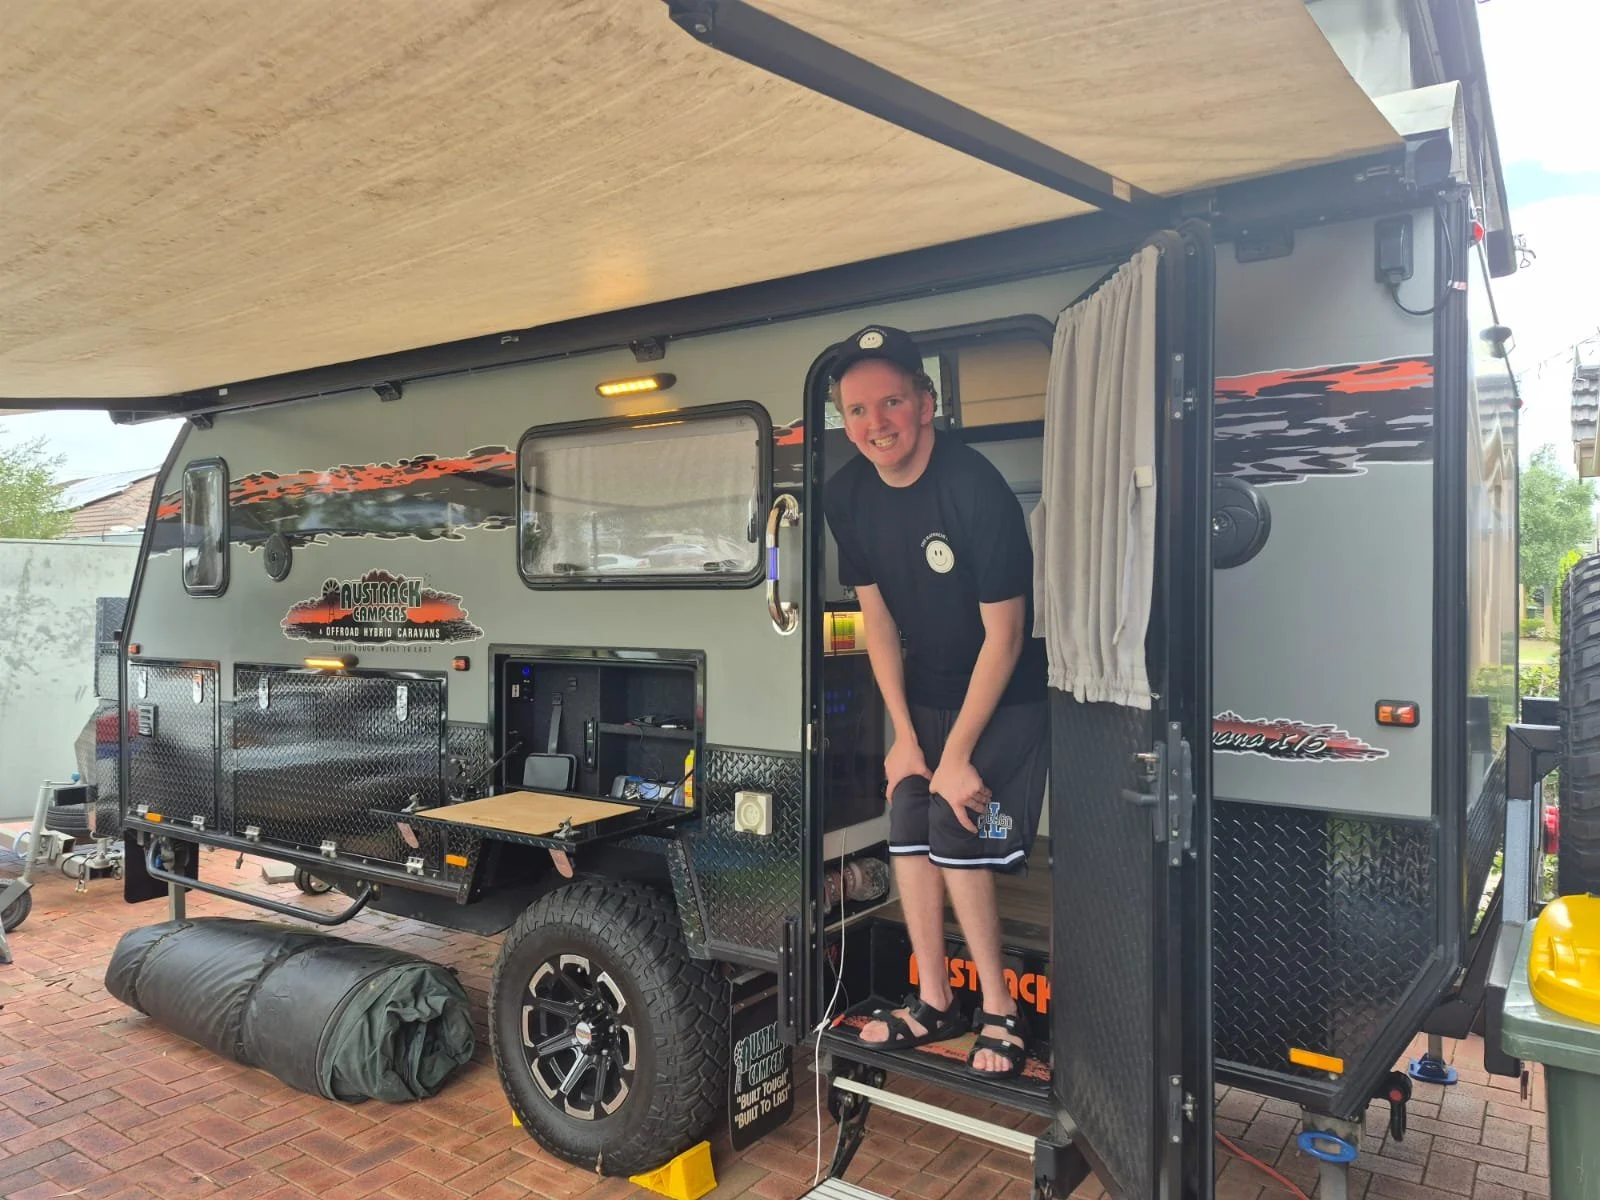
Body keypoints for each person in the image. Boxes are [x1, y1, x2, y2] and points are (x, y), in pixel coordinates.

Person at [821, 324, 1049, 1079]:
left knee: (955, 826)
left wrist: (953, 757)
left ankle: (999, 1012)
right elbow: (875, 623)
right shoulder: (845, 494)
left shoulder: (972, 486)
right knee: (907, 820)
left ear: (925, 404)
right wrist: (904, 738)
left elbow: (1007, 636)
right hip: (923, 695)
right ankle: (932, 1000)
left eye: (891, 402)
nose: (875, 423)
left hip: (1003, 692)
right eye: (857, 410)